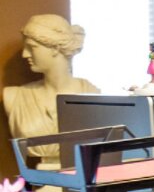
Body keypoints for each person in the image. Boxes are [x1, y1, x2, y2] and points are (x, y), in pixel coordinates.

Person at [2, 14, 100, 163]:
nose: (25, 54)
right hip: (43, 179)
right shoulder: (15, 96)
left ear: (55, 48)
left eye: (31, 47)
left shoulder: (91, 93)